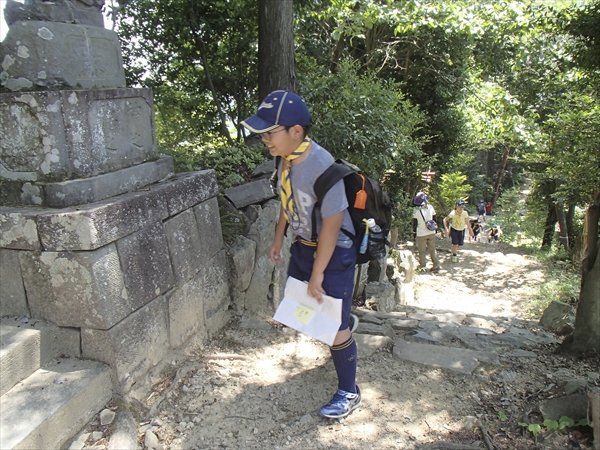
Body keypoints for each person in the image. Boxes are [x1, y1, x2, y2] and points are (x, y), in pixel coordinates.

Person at [240, 90, 360, 419]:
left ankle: (349, 391)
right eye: (263, 132)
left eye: (270, 132)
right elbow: (286, 200)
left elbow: (333, 226)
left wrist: (319, 273)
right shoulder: (285, 158)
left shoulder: (322, 167)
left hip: (334, 252)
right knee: (306, 311)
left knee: (333, 327)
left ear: (296, 132)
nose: (265, 139)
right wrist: (278, 238)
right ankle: (343, 318)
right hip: (304, 245)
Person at [412, 192, 441, 272]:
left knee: (422, 251)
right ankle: (436, 265)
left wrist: (414, 233)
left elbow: (415, 223)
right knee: (432, 249)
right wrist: (435, 229)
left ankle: (422, 266)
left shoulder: (415, 210)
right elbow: (435, 219)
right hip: (431, 232)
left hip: (421, 233)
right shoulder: (430, 207)